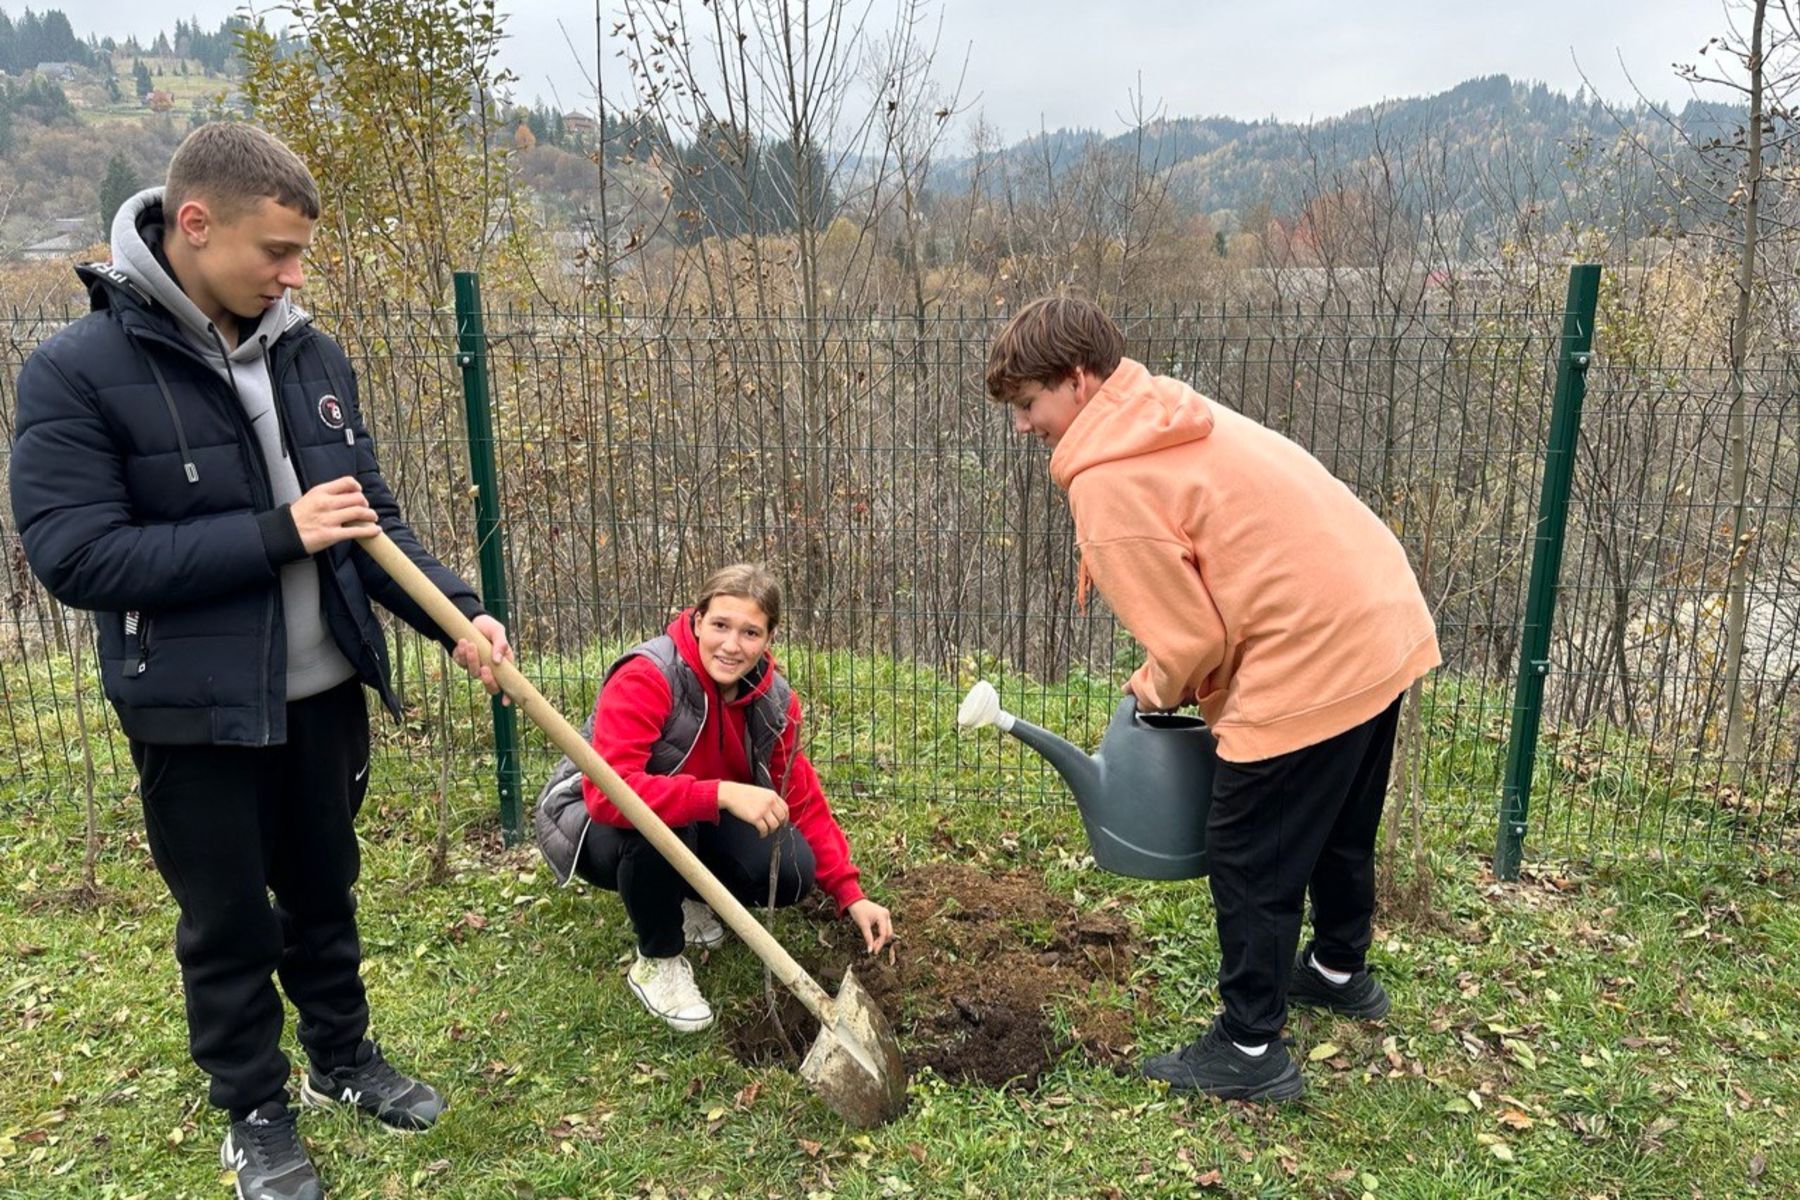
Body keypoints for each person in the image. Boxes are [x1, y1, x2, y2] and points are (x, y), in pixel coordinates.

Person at [8, 123, 513, 1200]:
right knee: (230, 919)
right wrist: (279, 531)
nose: (293, 276)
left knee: (326, 891)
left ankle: (342, 1060)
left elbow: (364, 517)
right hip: (196, 711)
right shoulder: (77, 371)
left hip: (324, 689)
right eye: (274, 253)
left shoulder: (306, 349)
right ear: (195, 226)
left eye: (300, 256)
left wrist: (459, 615)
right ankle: (254, 1106)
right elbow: (76, 555)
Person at [985, 296, 1440, 1102]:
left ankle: (1251, 1051)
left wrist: (1152, 688)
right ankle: (1338, 968)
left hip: (1310, 648)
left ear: (1080, 381)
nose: (1024, 426)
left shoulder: (1109, 479)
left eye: (1029, 404)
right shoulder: (1167, 412)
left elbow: (1192, 643)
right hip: (1378, 613)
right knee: (1337, 822)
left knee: (1247, 853)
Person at [535, 563, 894, 1032]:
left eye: (750, 632)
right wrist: (722, 792)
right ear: (698, 619)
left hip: (694, 815)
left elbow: (800, 798)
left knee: (790, 871)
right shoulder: (649, 675)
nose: (731, 645)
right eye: (720, 625)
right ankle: (657, 961)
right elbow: (609, 796)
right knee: (660, 828)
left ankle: (683, 897)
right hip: (594, 822)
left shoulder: (773, 702)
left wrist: (851, 894)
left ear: (770, 638)